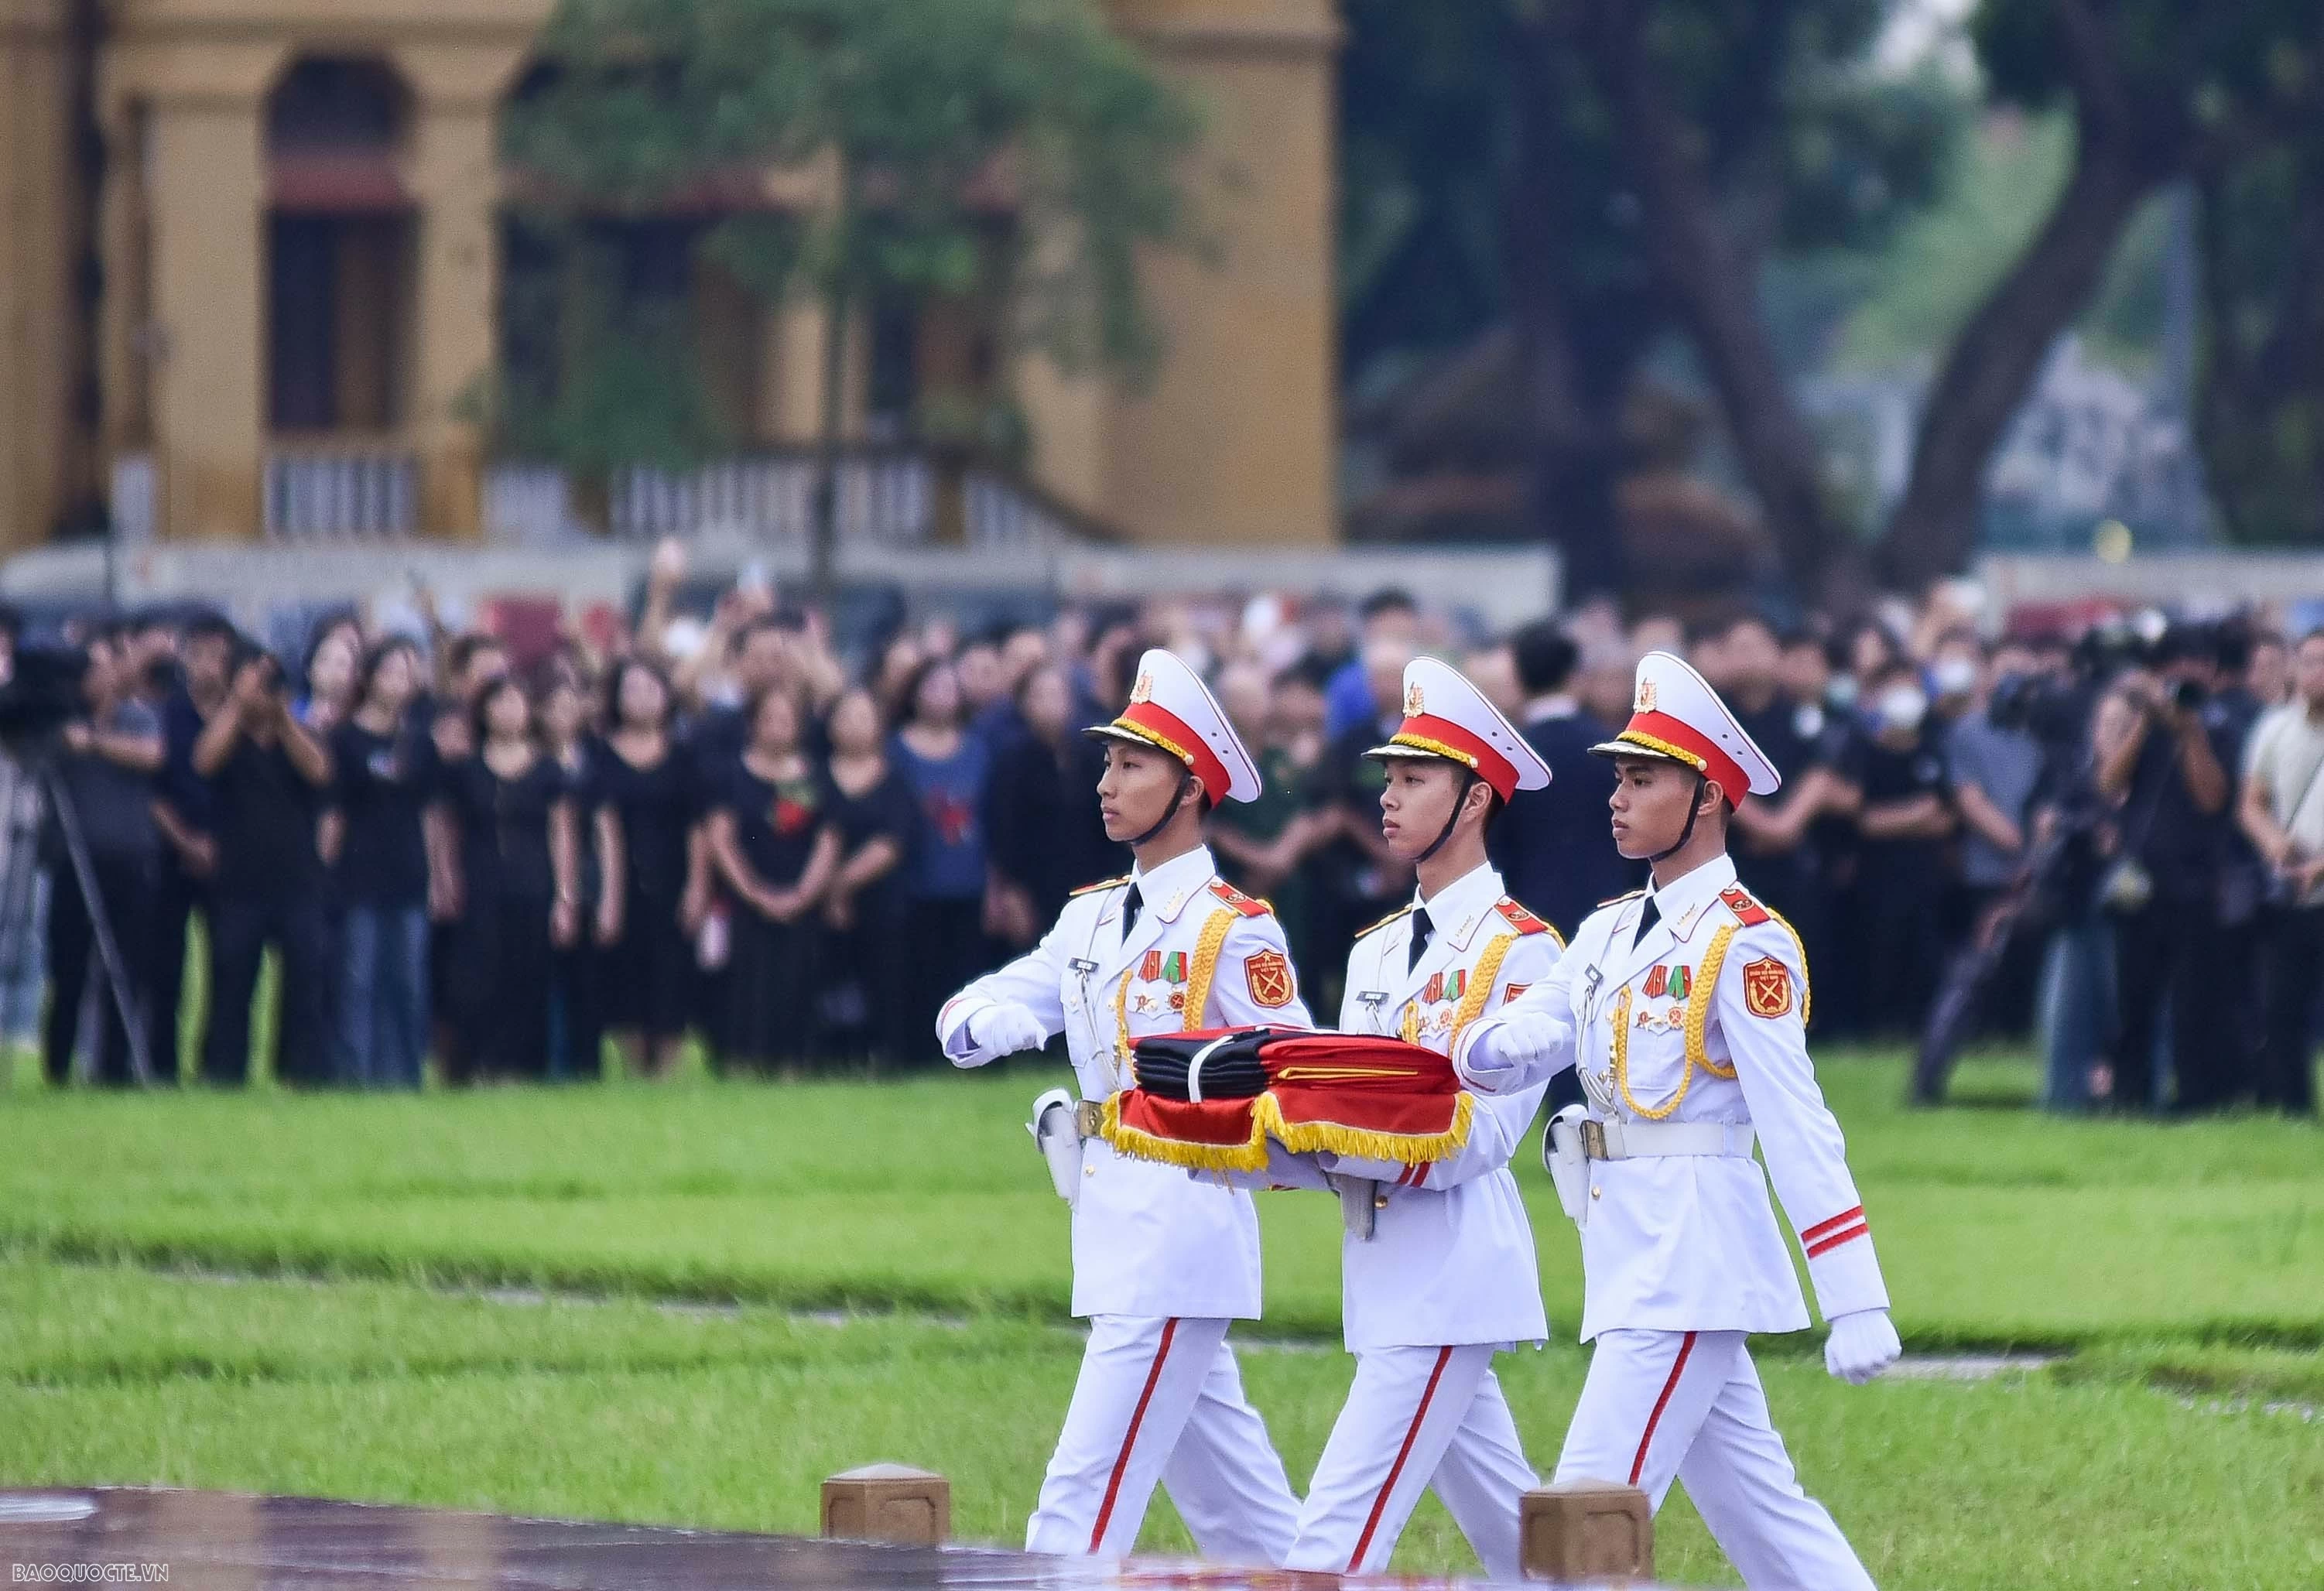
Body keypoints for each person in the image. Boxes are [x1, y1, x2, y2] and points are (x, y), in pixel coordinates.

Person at [1456, 651, 1898, 1591]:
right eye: (1619, 775)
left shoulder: (1746, 940)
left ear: (1706, 798)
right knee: (1767, 1518)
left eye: (1643, 778)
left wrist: (1855, 1295)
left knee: (1582, 1514)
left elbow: (1798, 1119)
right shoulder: (1614, 927)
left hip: (1691, 1255)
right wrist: (1495, 1041)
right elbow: (1551, 1011)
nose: (1616, 796)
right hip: (1634, 1246)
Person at [935, 648, 1306, 1565]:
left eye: (1132, 765)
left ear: (1188, 788)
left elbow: (1293, 1067)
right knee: (1249, 1523)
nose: (1106, 783)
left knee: (1079, 1502)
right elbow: (969, 1012)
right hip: (1114, 1222)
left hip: (1181, 1223)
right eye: (1107, 762)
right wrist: (1003, 1024)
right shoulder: (1091, 917)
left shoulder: (1233, 925)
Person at [1270, 657, 1561, 1580]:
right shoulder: (1378, 951)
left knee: (1334, 1539)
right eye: (1387, 778)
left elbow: (1482, 1135)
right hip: (1389, 1274)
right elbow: (1348, 1115)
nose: (1386, 799)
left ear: (1474, 799)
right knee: (1525, 1549)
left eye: (1413, 779)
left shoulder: (1525, 952)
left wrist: (1341, 1127)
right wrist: (1262, 1138)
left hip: (1450, 1275)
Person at [2094, 624, 2237, 1111]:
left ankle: (2194, 1098)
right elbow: (2109, 781)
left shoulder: (2220, 726)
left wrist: (2189, 731)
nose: (2186, 677)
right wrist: (2145, 722)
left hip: (2194, 883)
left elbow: (2212, 799)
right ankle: (2130, 1095)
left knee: (2195, 1003)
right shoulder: (2144, 723)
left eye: (2196, 665)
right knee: (2133, 1000)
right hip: (2140, 886)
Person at [194, 645, 336, 1086]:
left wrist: (283, 718)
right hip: (239, 880)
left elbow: (320, 772)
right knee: (231, 978)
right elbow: (203, 762)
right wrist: (238, 705)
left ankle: (300, 1071)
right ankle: (222, 1071)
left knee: (304, 981)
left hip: (298, 880)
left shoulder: (304, 732)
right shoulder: (229, 736)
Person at [43, 632, 165, 1086]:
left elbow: (154, 756)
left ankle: (115, 1069)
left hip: (130, 858)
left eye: (105, 666)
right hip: (73, 859)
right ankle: (58, 1065)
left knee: (126, 968)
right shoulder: (59, 721)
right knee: (68, 967)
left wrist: (93, 741)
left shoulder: (137, 718)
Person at [443, 677, 580, 1082]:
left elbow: (563, 834)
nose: (509, 710)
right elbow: (448, 829)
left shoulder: (548, 769)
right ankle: (475, 1066)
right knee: (478, 976)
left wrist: (565, 896)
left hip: (533, 885)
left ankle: (522, 1068)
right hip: (480, 885)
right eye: (499, 702)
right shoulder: (466, 769)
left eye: (517, 702)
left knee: (527, 976)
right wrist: (447, 877)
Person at [705, 686, 840, 1073]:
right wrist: (754, 893)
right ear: (753, 724)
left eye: (787, 719)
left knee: (797, 980)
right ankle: (742, 1062)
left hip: (803, 898)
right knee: (747, 983)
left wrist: (802, 894)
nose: (778, 728)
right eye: (769, 718)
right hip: (746, 900)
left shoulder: (815, 776)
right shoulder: (731, 774)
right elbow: (721, 838)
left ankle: (795, 1063)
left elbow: (828, 839)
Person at [330, 638, 438, 1090]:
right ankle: (357, 1075)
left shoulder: (419, 742)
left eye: (408, 672)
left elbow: (432, 813)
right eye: (391, 670)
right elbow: (334, 814)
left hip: (408, 873)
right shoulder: (344, 739)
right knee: (359, 982)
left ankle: (405, 1076)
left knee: (408, 983)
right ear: (370, 677)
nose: (399, 681)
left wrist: (438, 874)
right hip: (359, 874)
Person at [592, 658, 697, 1077]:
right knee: (625, 976)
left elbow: (697, 828)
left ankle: (668, 1073)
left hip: (675, 880)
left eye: (651, 688)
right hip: (619, 882)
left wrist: (697, 887)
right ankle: (635, 1069)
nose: (642, 697)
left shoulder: (683, 756)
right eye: (631, 689)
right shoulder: (599, 754)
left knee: (672, 975)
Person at [2237, 628, 2324, 1117]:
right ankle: (2294, 1111)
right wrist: (2274, 842)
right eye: (2309, 661)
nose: (2317, 672)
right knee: (2281, 1009)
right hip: (2290, 895)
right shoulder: (2274, 729)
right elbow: (2252, 803)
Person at [1493, 619, 1623, 940]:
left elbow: (1496, 849)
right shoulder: (1614, 751)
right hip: (1612, 916)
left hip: (1526, 919)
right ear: (1574, 678)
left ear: (1519, 679)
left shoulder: (1506, 758)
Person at [891, 658, 993, 1056]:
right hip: (915, 882)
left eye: (950, 686)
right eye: (932, 685)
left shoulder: (980, 750)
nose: (942, 695)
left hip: (967, 880)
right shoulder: (895, 750)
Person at [1852, 659, 1956, 1033]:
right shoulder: (1866, 753)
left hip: (1926, 876)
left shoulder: (1934, 750)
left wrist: (1898, 820)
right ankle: (1878, 1028)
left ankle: (1921, 1027)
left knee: (1925, 953)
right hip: (1878, 877)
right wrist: (1915, 816)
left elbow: (1947, 817)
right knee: (1881, 954)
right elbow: (1861, 820)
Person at [986, 662, 1124, 939]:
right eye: (1040, 695)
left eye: (1057, 694)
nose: (1051, 704)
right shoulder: (1012, 760)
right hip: (1034, 887)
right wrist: (1010, 891)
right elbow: (1002, 830)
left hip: (1093, 880)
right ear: (1024, 704)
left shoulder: (1093, 755)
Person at [821, 686, 917, 1065]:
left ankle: (884, 1056)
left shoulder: (894, 780)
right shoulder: (814, 777)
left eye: (865, 716)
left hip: (882, 898)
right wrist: (827, 894)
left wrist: (839, 887)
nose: (856, 725)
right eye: (847, 716)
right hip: (818, 899)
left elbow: (892, 843)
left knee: (884, 977)